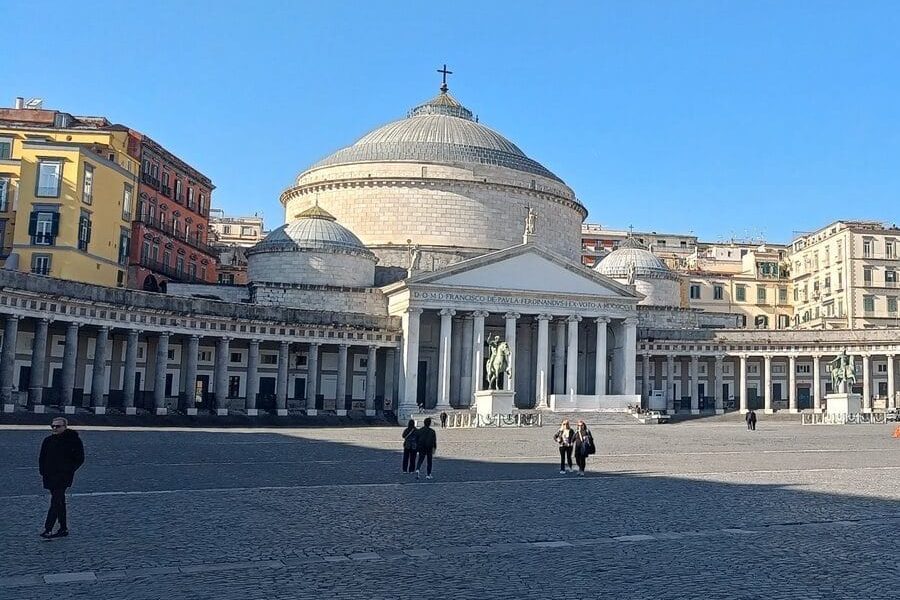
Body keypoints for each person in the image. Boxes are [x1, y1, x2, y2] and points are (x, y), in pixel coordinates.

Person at [39, 417, 84, 538]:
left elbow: (80, 458)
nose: (54, 428)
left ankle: (48, 528)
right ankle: (63, 528)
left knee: (56, 501)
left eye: (57, 426)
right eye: (52, 426)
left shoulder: (73, 440)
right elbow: (42, 458)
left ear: (65, 427)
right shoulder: (48, 440)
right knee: (59, 502)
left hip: (64, 476)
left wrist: (69, 470)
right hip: (49, 476)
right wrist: (43, 471)